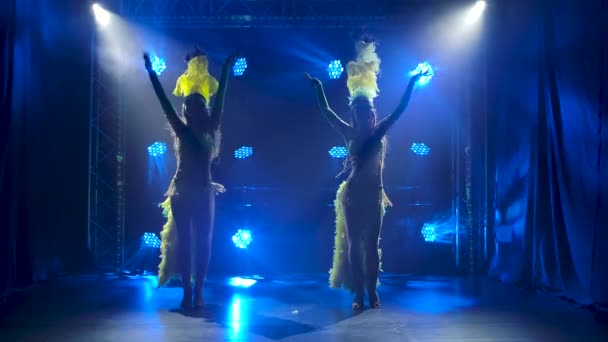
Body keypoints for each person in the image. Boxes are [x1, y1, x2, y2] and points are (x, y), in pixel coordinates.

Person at [305, 39, 427, 309]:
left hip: (373, 195)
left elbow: (399, 110)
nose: (367, 115)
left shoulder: (380, 130)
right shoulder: (348, 130)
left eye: (370, 111)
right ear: (355, 113)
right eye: (361, 111)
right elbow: (326, 112)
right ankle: (359, 293)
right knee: (352, 246)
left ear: (373, 113)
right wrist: (319, 88)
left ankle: (372, 292)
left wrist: (411, 84)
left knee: (371, 245)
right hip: (352, 195)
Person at [143, 49, 236, 309]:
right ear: (186, 108)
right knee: (185, 241)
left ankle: (199, 290)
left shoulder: (211, 127)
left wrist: (226, 69)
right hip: (182, 191)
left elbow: (222, 99)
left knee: (204, 241)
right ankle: (186, 290)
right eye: (189, 104)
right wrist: (151, 72)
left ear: (203, 107)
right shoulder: (181, 129)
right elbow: (163, 100)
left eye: (198, 103)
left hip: (204, 190)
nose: (193, 107)